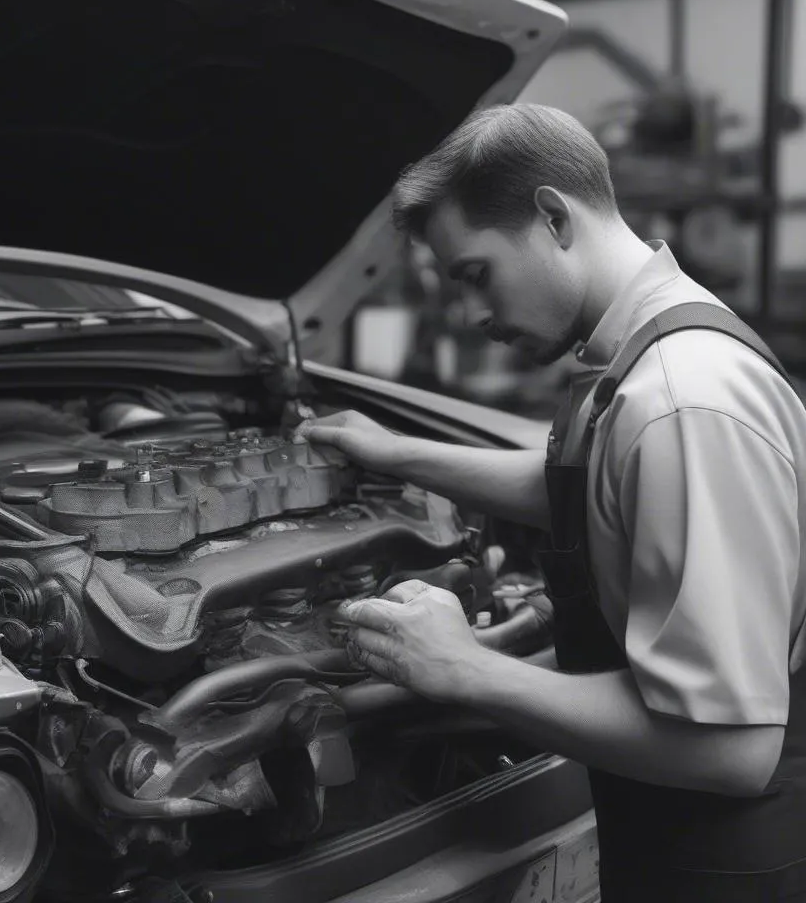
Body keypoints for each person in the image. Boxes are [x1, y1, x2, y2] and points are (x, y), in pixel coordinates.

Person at [296, 104, 806, 901]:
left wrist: (465, 670)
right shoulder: (650, 360)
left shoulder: (680, 402)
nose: (472, 315)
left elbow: (728, 751)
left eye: (474, 274)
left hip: (722, 858)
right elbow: (590, 491)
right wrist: (397, 453)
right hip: (666, 825)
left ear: (552, 217)